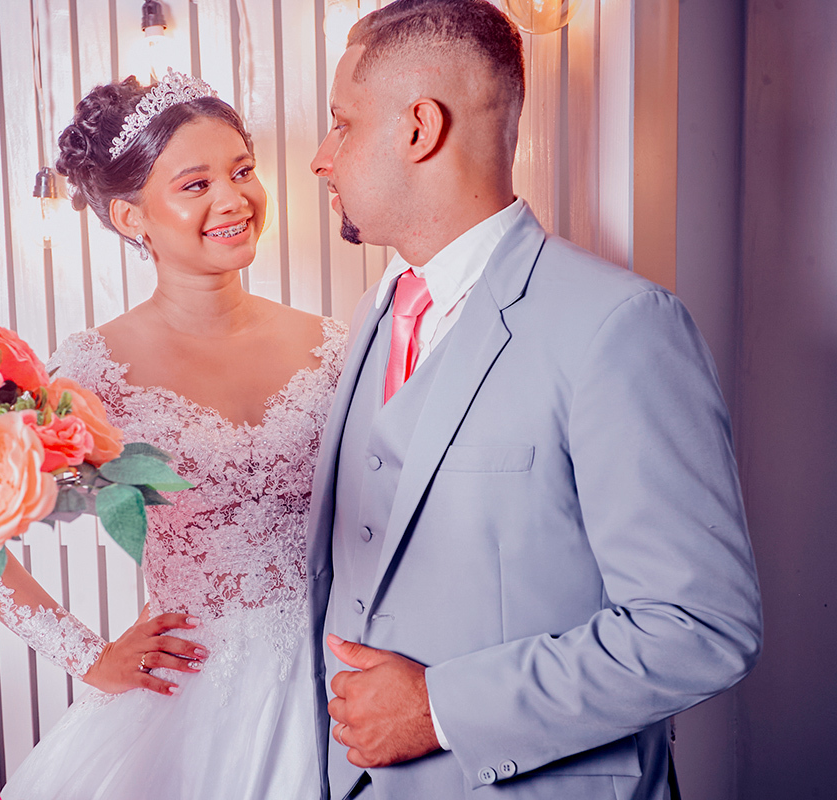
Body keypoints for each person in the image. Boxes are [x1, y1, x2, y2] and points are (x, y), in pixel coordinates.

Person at [305, 1, 762, 798]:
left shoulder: (620, 327)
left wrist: (441, 709)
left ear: (419, 129)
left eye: (341, 124)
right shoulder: (377, 316)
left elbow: (700, 628)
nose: (321, 156)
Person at [0, 69, 346, 798]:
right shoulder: (92, 371)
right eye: (195, 184)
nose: (233, 199)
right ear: (132, 219)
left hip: (344, 683)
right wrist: (88, 656)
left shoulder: (335, 344)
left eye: (243, 171)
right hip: (192, 706)